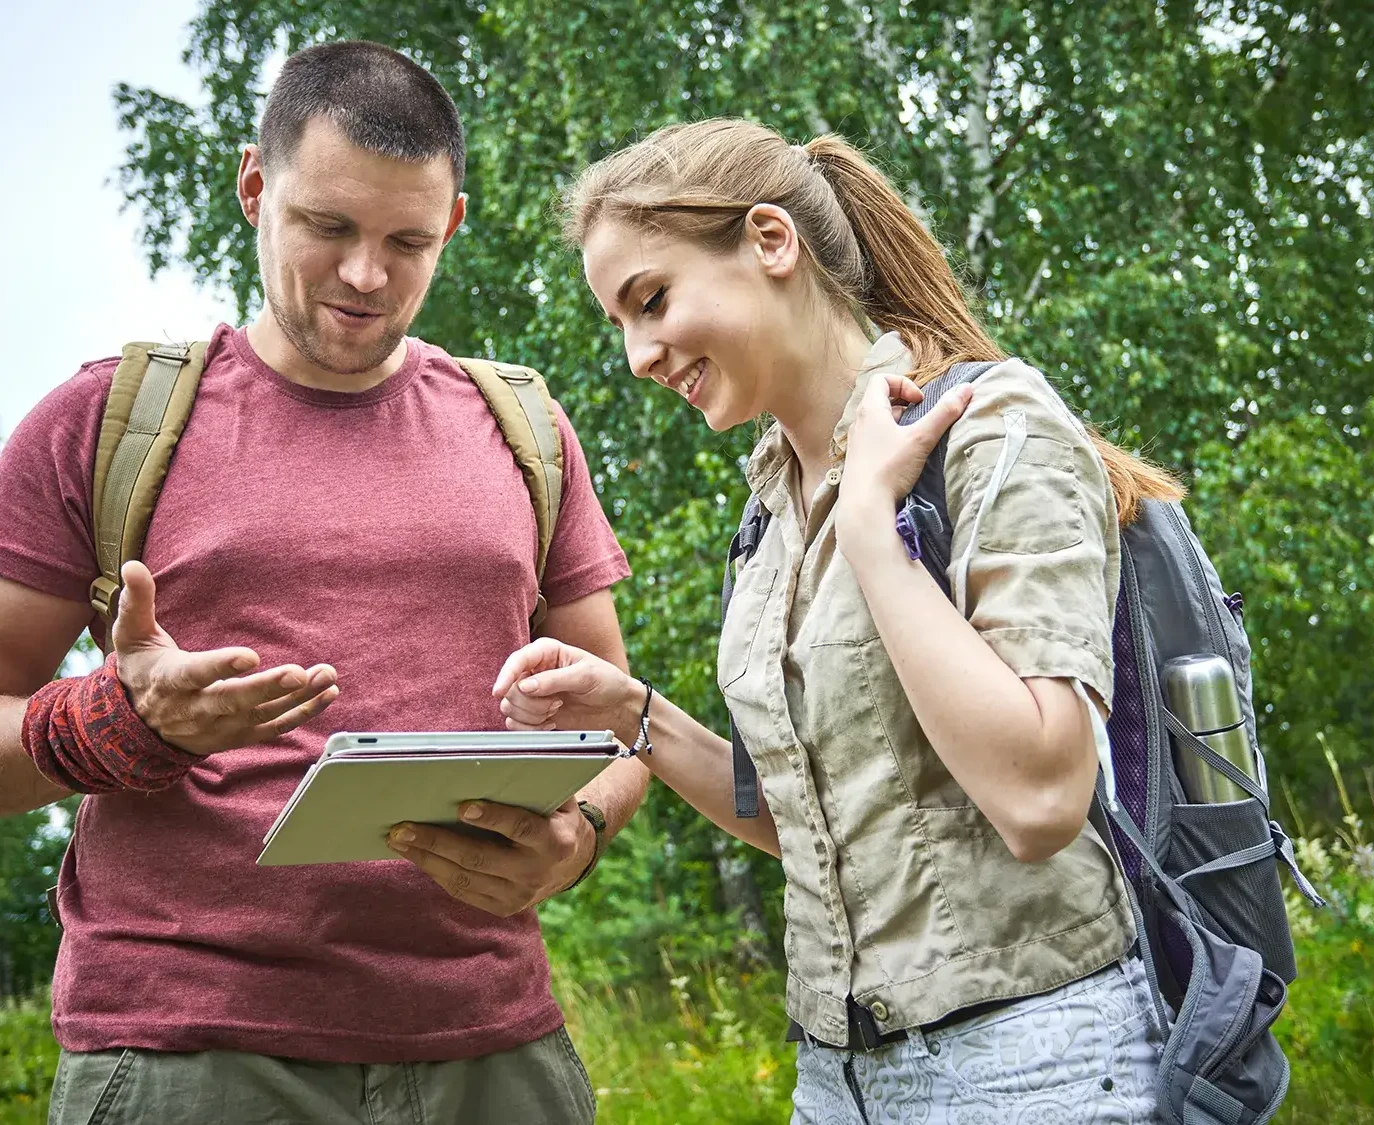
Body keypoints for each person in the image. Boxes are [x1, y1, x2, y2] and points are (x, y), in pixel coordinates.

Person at [0, 40, 644, 1124]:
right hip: (186, 1056)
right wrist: (114, 725)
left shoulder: (525, 429)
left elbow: (623, 727)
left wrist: (572, 838)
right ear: (255, 186)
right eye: (327, 227)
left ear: (454, 225)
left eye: (406, 241)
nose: (365, 277)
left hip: (497, 1049)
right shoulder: (102, 423)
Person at [492, 118, 1186, 1123]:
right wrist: (632, 711)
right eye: (619, 323)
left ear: (772, 241)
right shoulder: (769, 512)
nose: (639, 355)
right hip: (840, 1079)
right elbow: (816, 823)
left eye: (652, 300)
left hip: (1037, 1065)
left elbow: (1040, 799)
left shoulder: (989, 428)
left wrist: (872, 535)